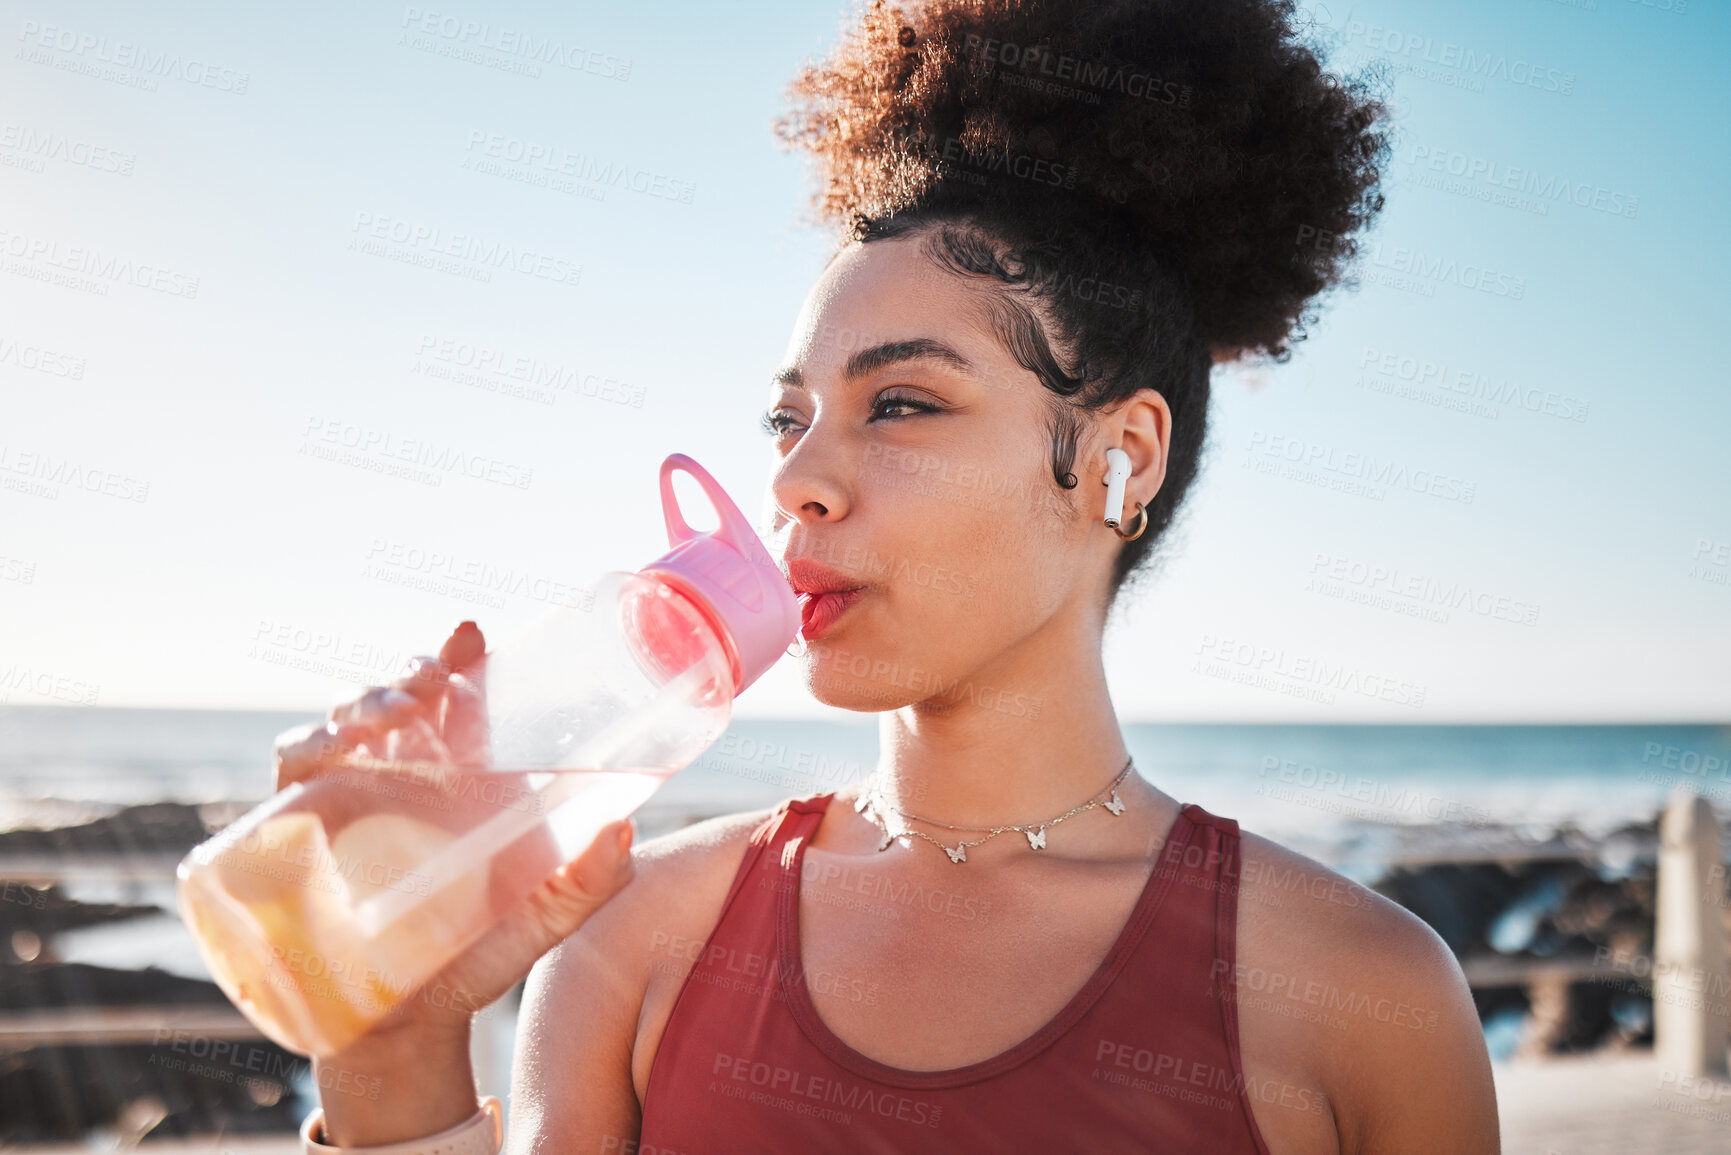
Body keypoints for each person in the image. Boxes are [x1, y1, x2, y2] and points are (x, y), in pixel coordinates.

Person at [275, 1, 1499, 1150]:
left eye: (902, 403)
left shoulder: (1359, 996)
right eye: (788, 419)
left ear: (1117, 459)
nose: (795, 483)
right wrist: (390, 1048)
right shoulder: (632, 938)